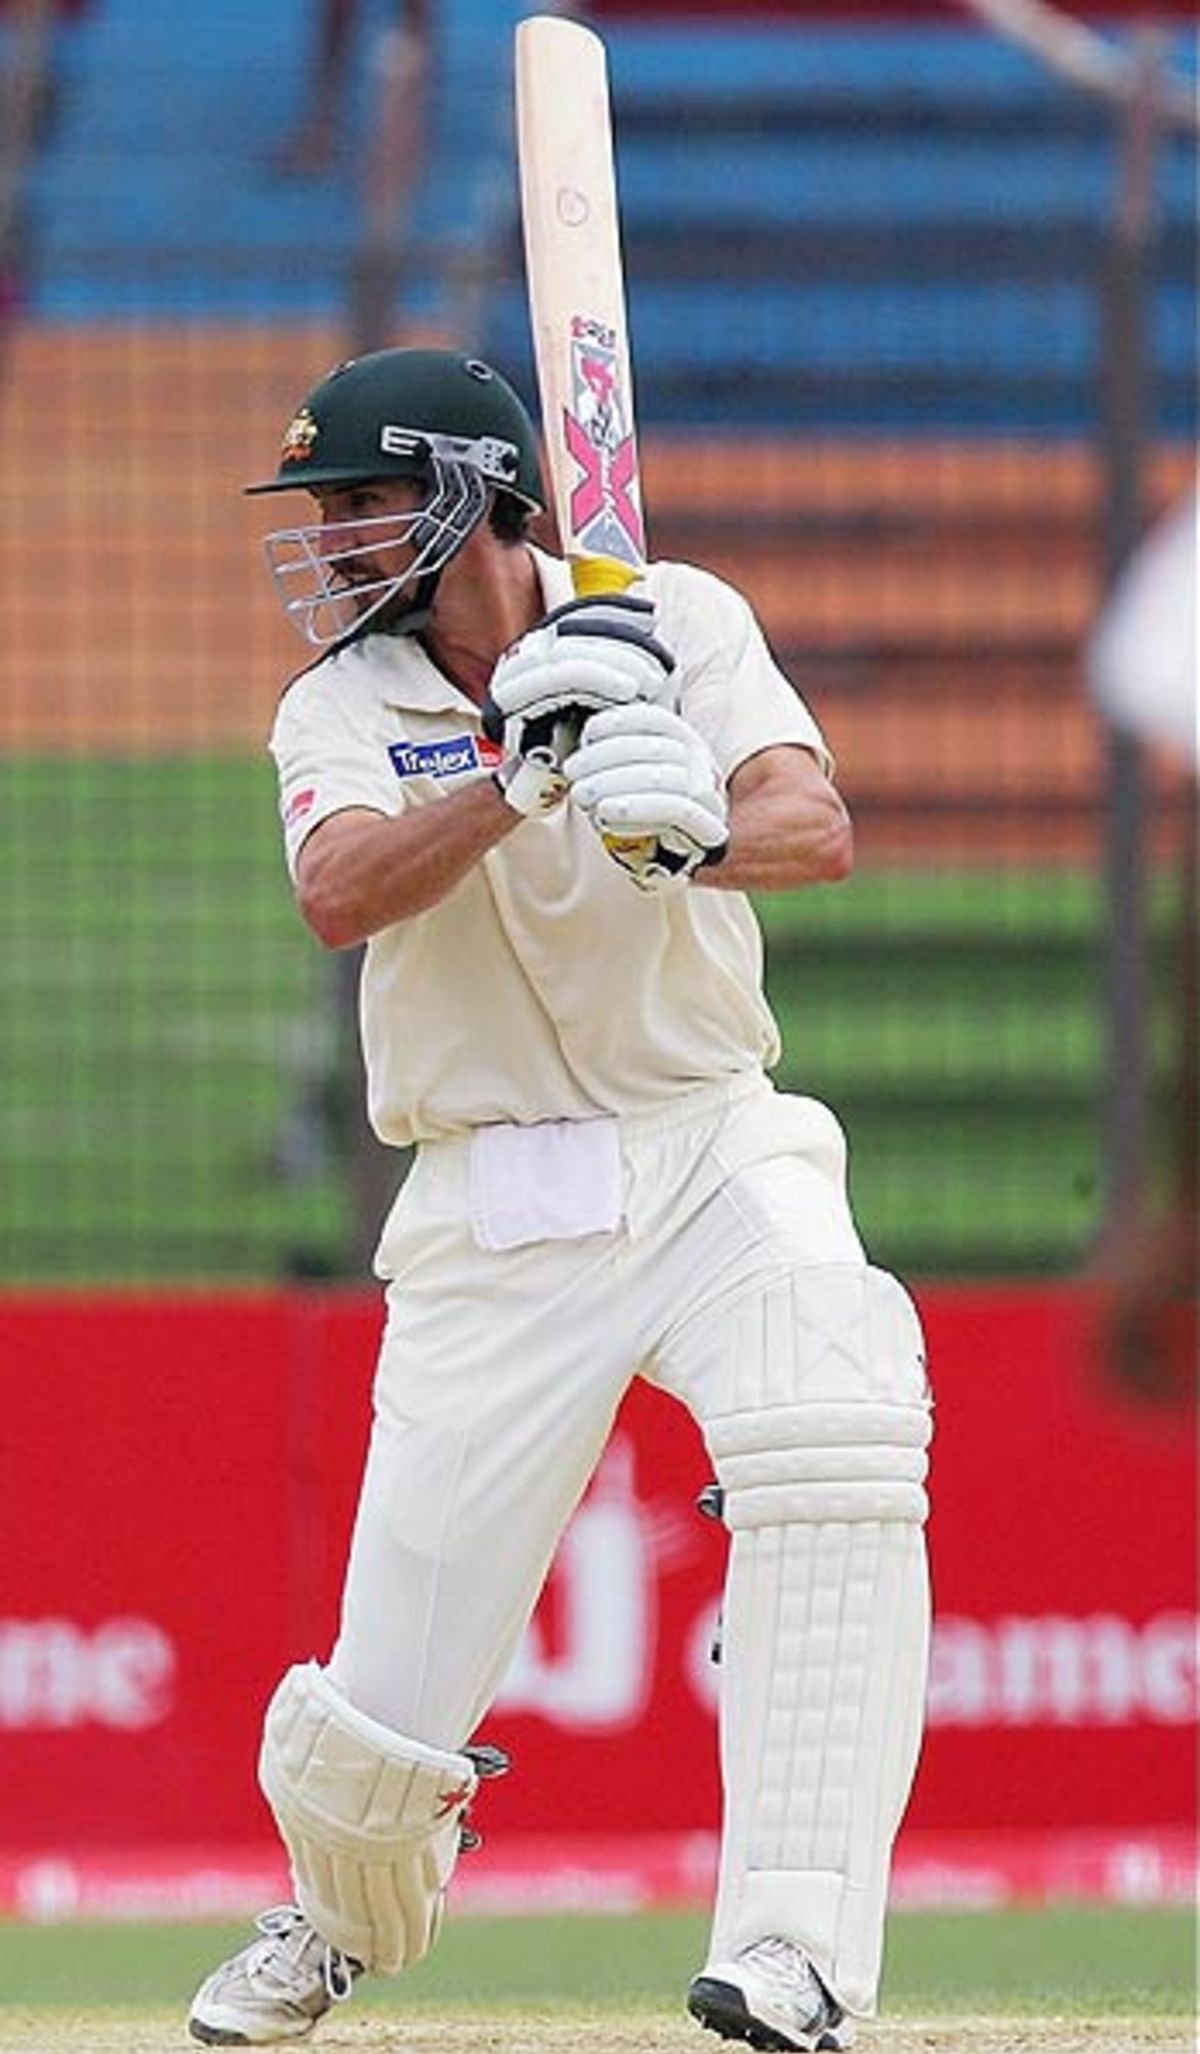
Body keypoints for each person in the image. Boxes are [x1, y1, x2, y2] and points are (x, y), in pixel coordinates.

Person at [187, 346, 933, 2052]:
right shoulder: (342, 705)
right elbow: (337, 888)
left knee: (841, 1412)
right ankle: (336, 1918)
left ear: (472, 487)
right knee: (386, 1707)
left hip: (707, 1140)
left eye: (366, 500)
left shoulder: (675, 614)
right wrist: (520, 771)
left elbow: (807, 823)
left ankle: (794, 1948)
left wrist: (687, 831)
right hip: (491, 1206)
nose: (339, 539)